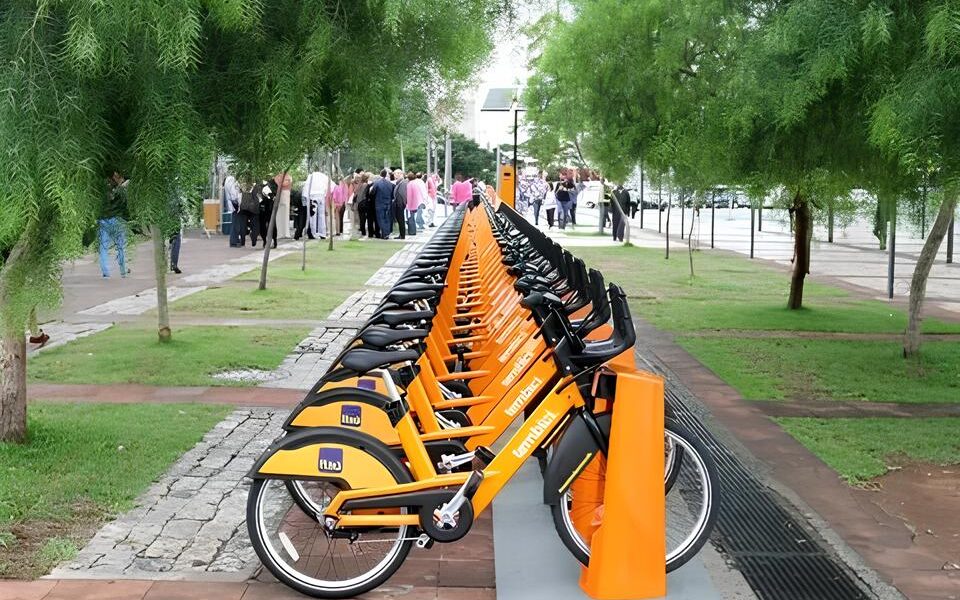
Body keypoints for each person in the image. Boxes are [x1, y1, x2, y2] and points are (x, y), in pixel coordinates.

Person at [99, 171, 130, 278]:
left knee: (103, 246)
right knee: (121, 245)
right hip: (116, 219)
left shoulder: (101, 188)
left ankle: (106, 272)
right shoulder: (121, 189)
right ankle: (123, 271)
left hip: (103, 220)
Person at [303, 167, 330, 240]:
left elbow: (307, 186)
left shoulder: (311, 176)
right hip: (321, 196)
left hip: (312, 196)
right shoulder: (324, 176)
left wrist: (305, 197)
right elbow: (327, 186)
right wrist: (324, 194)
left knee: (313, 216)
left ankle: (313, 233)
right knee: (321, 215)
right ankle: (322, 233)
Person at [237, 175, 260, 247]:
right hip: (254, 208)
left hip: (243, 206)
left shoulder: (242, 184)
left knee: (242, 224)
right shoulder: (257, 185)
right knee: (255, 224)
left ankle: (242, 241)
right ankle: (254, 238)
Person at [372, 168, 394, 238]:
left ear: (380, 174)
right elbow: (392, 194)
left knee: (381, 218)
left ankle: (385, 233)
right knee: (387, 218)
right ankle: (387, 232)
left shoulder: (377, 183)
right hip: (388, 203)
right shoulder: (390, 184)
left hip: (379, 203)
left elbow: (373, 192)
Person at [223, 173, 242, 247]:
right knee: (236, 223)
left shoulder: (228, 181)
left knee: (235, 223)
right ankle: (234, 241)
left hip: (232, 204)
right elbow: (234, 194)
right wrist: (237, 201)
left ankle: (234, 240)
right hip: (235, 204)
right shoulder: (232, 180)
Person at [392, 169, 409, 239]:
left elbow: (403, 194)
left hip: (400, 204)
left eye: (396, 174)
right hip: (398, 204)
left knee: (401, 220)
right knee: (400, 220)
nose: (395, 175)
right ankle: (401, 234)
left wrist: (402, 204)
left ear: (400, 174)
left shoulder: (403, 183)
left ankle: (402, 235)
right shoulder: (400, 182)